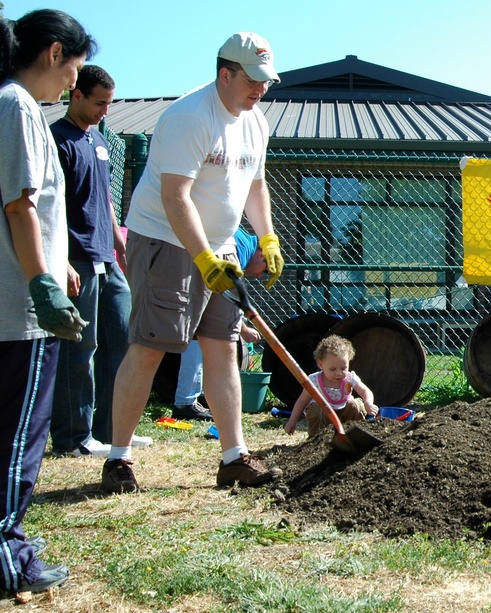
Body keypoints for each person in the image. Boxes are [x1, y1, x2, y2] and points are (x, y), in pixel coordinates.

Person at [101, 32, 286, 494]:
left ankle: (234, 457)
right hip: (167, 239)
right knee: (150, 346)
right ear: (225, 74)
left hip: (220, 244)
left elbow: (256, 186)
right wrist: (203, 257)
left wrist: (267, 236)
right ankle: (118, 459)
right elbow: (174, 196)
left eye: (266, 81)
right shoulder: (189, 116)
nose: (260, 90)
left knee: (223, 346)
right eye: (252, 80)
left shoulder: (255, 121)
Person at [0, 8, 94, 592]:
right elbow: (20, 205)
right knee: (17, 434)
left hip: (15, 295)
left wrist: (54, 257)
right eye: (74, 70)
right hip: (20, 311)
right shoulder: (17, 106)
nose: (72, 85)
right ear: (55, 53)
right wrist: (43, 285)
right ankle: (8, 554)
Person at [49, 64, 148, 457]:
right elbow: (49, 205)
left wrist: (119, 242)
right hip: (76, 257)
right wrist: (63, 259)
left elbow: (105, 196)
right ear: (76, 95)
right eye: (98, 103)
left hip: (107, 256)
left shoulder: (99, 141)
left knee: (122, 338)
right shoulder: (57, 140)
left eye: (109, 104)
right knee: (80, 345)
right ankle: (73, 437)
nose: (104, 111)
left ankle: (111, 430)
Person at [173, 227, 265, 420]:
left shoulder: (243, 244)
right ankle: (186, 401)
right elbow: (227, 299)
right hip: (186, 267)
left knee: (199, 336)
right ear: (261, 255)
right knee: (197, 337)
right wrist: (245, 330)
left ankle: (192, 399)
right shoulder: (239, 251)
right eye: (265, 271)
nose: (260, 276)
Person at [284, 334, 378, 437]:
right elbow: (302, 401)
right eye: (332, 369)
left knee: (356, 405)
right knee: (316, 408)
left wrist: (368, 403)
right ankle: (316, 439)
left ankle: (355, 435)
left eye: (343, 368)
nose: (339, 373)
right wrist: (292, 421)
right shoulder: (314, 380)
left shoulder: (350, 378)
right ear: (321, 365)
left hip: (344, 414)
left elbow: (365, 391)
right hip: (323, 416)